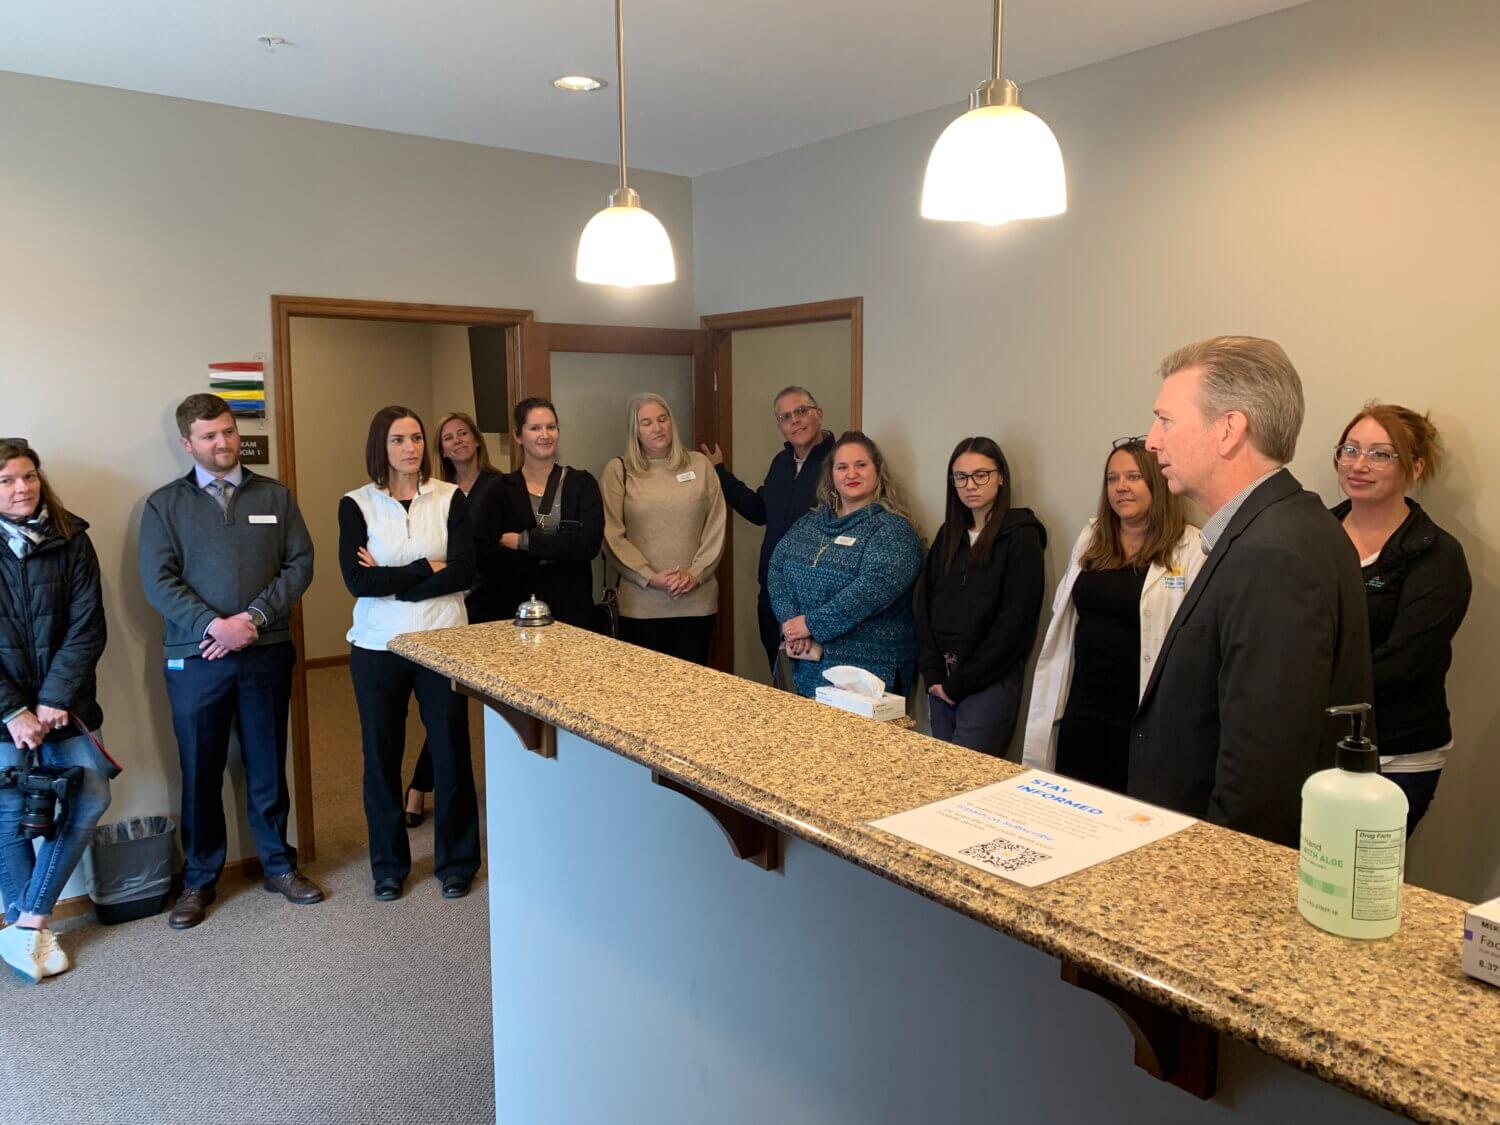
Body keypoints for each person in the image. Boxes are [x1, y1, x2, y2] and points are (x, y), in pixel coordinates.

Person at [1130, 337, 1373, 846]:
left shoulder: (1273, 554)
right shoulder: (1281, 526)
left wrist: (1212, 888)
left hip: (1216, 876)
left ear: (1228, 430)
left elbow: (1262, 777)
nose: (1152, 441)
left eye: (1166, 420)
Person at [139, 395, 322, 930]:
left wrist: (253, 619)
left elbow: (300, 563)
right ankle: (198, 879)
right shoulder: (163, 505)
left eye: (227, 431)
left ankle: (278, 866)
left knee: (267, 762)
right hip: (196, 658)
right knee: (200, 769)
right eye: (208, 436)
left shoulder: (275, 495)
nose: (222, 443)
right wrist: (214, 626)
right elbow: (158, 580)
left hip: (265, 650)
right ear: (187, 443)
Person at [341, 406, 480, 901]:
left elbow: (464, 571)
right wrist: (426, 566)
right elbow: (357, 580)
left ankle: (458, 862)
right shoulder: (356, 504)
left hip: (443, 642)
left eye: (417, 437)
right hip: (379, 646)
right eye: (399, 439)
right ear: (381, 446)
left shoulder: (450, 498)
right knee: (381, 757)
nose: (410, 447)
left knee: (450, 753)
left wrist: (396, 584)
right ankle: (388, 867)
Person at [1022, 438, 1204, 790]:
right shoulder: (1092, 537)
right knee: (1074, 803)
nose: (1121, 487)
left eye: (1133, 477)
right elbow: (1065, 614)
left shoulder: (1190, 547)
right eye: (1112, 479)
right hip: (1083, 705)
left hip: (1138, 713)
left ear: (1157, 482)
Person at [0, 441, 113, 981]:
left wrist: (52, 700)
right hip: (5, 718)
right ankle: (34, 931)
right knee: (10, 822)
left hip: (65, 707)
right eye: (6, 480)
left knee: (90, 796)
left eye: (29, 476)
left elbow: (88, 625)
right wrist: (13, 711)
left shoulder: (72, 538)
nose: (22, 488)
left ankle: (25, 927)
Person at [1330, 403, 1470, 835]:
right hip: (1310, 746)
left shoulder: (1436, 555)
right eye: (1350, 449)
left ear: (1415, 467)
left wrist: (1301, 685)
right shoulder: (1313, 534)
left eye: (1380, 454)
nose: (1359, 465)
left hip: (1395, 758)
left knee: (1359, 889)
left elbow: (1403, 664)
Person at [767, 431, 923, 698]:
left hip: (866, 675)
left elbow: (870, 591)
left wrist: (811, 624)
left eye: (861, 465)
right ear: (831, 476)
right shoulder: (809, 523)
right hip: (802, 662)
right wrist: (792, 623)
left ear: (878, 472)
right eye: (842, 467)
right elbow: (776, 569)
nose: (852, 474)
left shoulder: (894, 530)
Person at [915, 437, 1045, 756]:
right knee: (938, 779)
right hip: (940, 680)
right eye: (961, 477)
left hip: (988, 682)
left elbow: (1015, 623)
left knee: (964, 782)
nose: (970, 485)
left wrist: (961, 683)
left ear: (1001, 476)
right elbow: (923, 603)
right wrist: (933, 673)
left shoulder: (1021, 535)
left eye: (980, 475)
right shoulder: (949, 533)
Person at [404, 410, 501, 827]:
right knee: (450, 701)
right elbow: (424, 554)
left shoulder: (499, 486)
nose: (457, 441)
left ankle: (421, 785)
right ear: (440, 448)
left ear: (477, 440)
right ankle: (422, 783)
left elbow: (498, 547)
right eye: (448, 437)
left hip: (492, 602)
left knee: (494, 706)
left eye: (464, 433)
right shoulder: (435, 492)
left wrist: (456, 571)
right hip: (449, 604)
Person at [700, 386, 835, 675]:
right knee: (780, 679)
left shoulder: (839, 462)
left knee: (813, 688)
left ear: (819, 414)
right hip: (773, 594)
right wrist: (721, 473)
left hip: (814, 600)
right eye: (786, 417)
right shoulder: (781, 463)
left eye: (801, 411)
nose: (795, 421)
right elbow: (760, 511)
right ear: (780, 427)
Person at [601, 393, 727, 665]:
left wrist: (695, 574)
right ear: (635, 430)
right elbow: (612, 536)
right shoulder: (618, 470)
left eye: (662, 418)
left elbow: (716, 525)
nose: (657, 428)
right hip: (641, 606)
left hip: (697, 603)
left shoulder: (700, 466)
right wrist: (649, 576)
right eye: (646, 422)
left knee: (693, 693)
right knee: (646, 696)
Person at [474, 397, 604, 629]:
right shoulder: (500, 489)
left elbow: (588, 545)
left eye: (551, 427)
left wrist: (525, 542)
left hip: (573, 610)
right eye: (535, 428)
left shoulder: (582, 484)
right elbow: (486, 554)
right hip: (516, 611)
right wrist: (559, 548)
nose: (545, 434)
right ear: (518, 436)